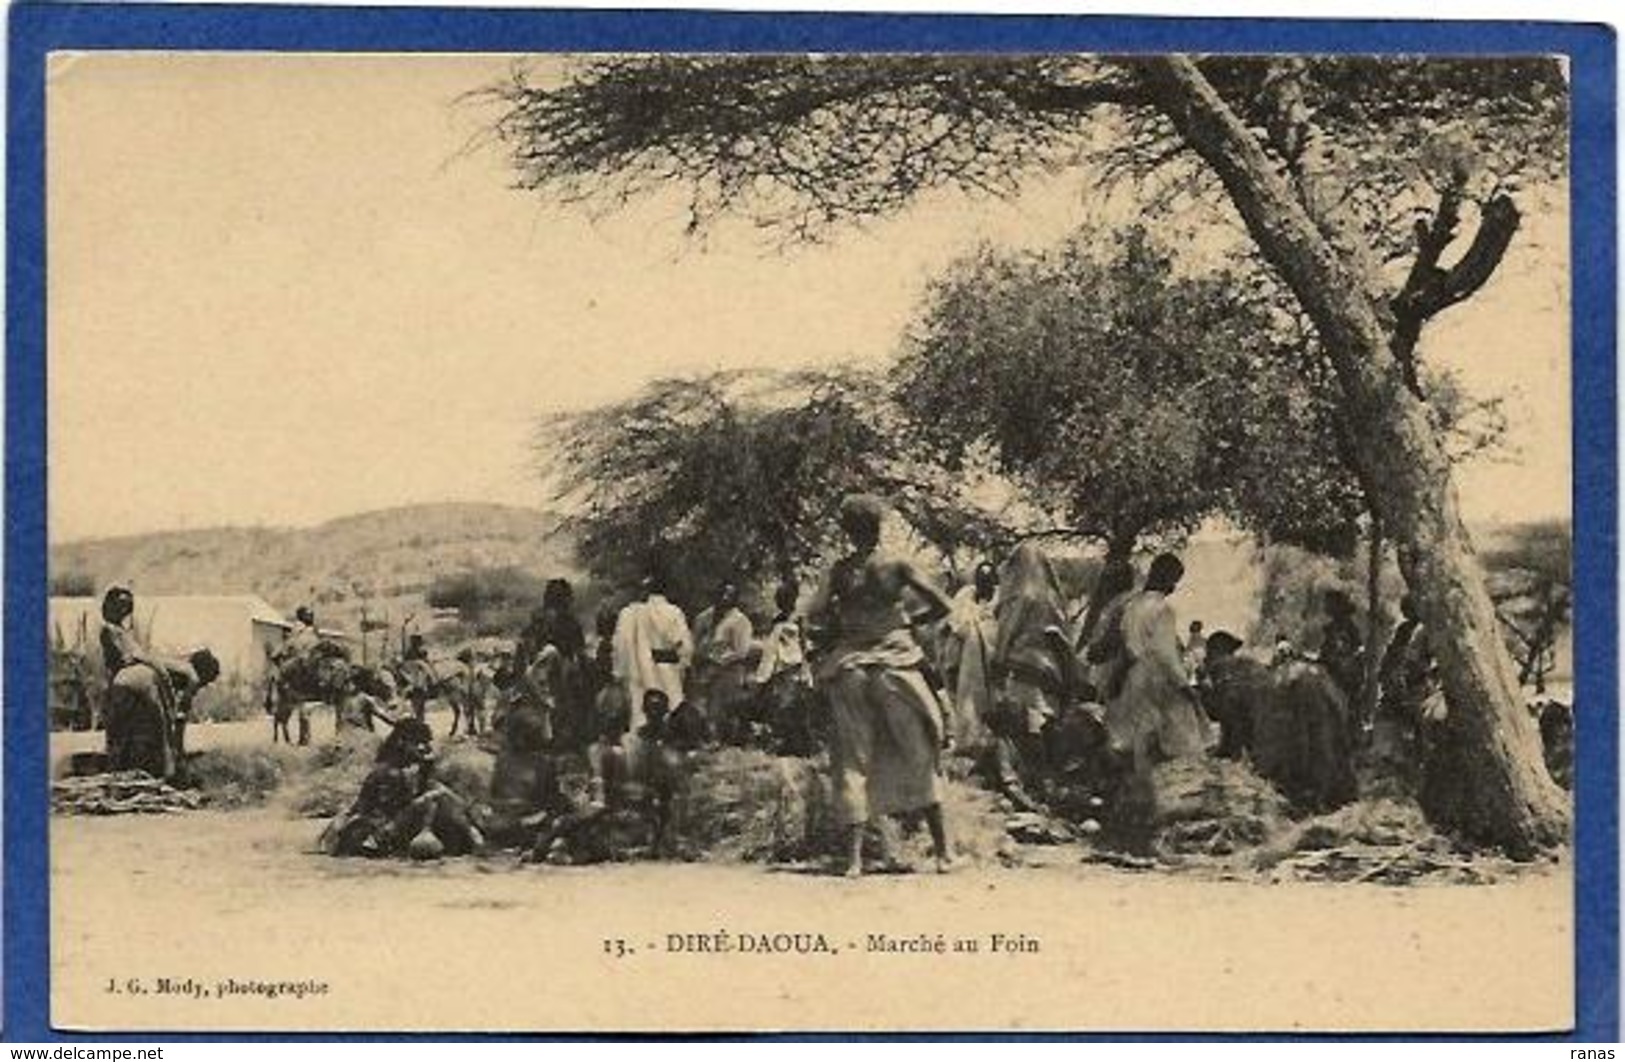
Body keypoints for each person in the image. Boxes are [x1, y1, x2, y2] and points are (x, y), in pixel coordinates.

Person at [805, 494, 955, 877]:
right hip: (896, 664)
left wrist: (845, 623)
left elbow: (816, 612)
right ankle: (944, 854)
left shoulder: (839, 571)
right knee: (922, 750)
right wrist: (909, 622)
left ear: (847, 531)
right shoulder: (897, 565)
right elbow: (942, 605)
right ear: (878, 526)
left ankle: (854, 861)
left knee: (853, 761)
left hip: (850, 665)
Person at [988, 543, 1074, 803]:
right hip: (1050, 669)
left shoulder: (1018, 597)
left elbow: (1006, 634)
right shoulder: (1053, 599)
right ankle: (1045, 783)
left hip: (1022, 663)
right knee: (1039, 724)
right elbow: (1064, 640)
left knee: (1011, 724)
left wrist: (998, 665)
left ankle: (1016, 781)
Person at [1104, 552, 1208, 767]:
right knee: (1183, 746)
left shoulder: (1131, 607)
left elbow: (1126, 645)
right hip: (1158, 680)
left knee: (1143, 743)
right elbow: (1166, 654)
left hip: (1134, 680)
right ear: (1168, 579)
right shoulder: (1163, 609)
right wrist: (1184, 687)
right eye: (1174, 580)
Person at [611, 566, 694, 743]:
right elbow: (685, 649)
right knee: (669, 713)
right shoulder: (673, 612)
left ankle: (641, 755)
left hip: (637, 674)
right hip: (668, 674)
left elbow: (619, 648)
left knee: (640, 716)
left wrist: (621, 673)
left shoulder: (627, 614)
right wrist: (679, 665)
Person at [943, 561, 999, 750]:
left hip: (994, 654)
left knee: (995, 697)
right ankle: (971, 740)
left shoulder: (1001, 598)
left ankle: (996, 744)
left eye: (988, 579)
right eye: (981, 579)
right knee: (970, 698)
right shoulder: (965, 597)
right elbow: (956, 623)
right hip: (969, 656)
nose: (984, 584)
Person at [755, 581, 815, 755]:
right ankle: (787, 742)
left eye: (786, 599)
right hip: (780, 666)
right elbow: (771, 645)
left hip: (795, 664)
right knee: (782, 705)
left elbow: (804, 644)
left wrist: (805, 667)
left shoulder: (799, 618)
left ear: (793, 599)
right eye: (780, 599)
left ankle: (803, 745)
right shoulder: (777, 619)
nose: (783, 602)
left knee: (797, 704)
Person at [705, 582, 758, 744]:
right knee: (714, 707)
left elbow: (742, 651)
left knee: (731, 707)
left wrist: (721, 661)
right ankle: (716, 739)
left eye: (729, 594)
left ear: (735, 598)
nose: (724, 598)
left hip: (732, 671)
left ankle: (734, 740)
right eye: (722, 594)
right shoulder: (713, 618)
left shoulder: (740, 621)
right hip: (716, 671)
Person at [1317, 590, 1366, 722]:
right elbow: (1325, 654)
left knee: (1344, 706)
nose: (1326, 606)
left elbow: (1357, 649)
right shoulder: (1331, 629)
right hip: (1333, 671)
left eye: (1330, 603)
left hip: (1345, 675)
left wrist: (1346, 660)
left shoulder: (1347, 628)